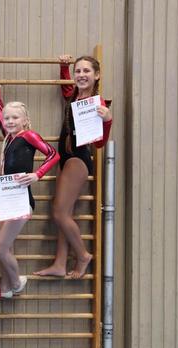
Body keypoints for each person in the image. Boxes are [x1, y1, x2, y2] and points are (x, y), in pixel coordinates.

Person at [35, 55, 112, 278]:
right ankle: (60, 263)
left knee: (59, 213)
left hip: (78, 159)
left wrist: (107, 120)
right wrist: (63, 67)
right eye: (78, 71)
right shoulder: (73, 96)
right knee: (65, 212)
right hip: (65, 157)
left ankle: (82, 255)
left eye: (86, 71)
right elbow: (66, 88)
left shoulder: (98, 104)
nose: (81, 75)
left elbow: (99, 144)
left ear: (97, 75)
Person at [0, 77, 60, 298]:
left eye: (15, 117)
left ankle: (17, 282)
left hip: (21, 199)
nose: (9, 121)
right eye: (7, 118)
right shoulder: (9, 138)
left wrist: (37, 174)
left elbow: (53, 154)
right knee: (6, 247)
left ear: (25, 120)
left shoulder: (29, 135)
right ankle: (6, 289)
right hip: (7, 197)